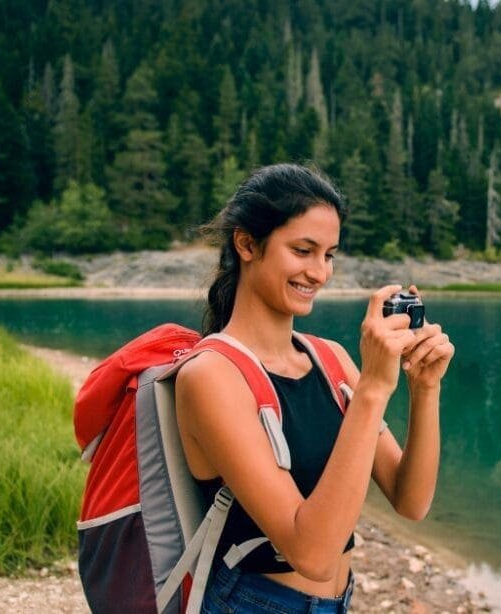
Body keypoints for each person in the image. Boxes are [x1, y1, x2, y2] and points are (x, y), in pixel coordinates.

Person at [175, 163, 453, 613]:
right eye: (303, 250)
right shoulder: (212, 375)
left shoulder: (331, 360)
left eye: (329, 255)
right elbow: (312, 554)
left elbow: (410, 499)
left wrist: (425, 390)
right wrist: (373, 390)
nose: (319, 273)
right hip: (252, 603)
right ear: (247, 244)